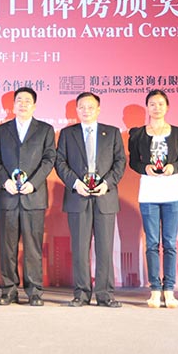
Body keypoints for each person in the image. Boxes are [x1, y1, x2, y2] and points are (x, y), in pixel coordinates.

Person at [55, 92, 125, 308]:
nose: (86, 110)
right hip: (78, 196)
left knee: (105, 248)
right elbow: (60, 162)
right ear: (76, 110)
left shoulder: (112, 133)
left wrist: (107, 183)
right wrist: (76, 183)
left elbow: (120, 162)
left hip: (105, 196)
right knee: (79, 248)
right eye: (82, 107)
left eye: (90, 107)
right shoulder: (67, 134)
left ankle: (105, 294)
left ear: (98, 109)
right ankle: (81, 293)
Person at [0, 87, 56, 306]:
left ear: (34, 105)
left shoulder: (45, 130)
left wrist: (33, 183)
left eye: (28, 100)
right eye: (19, 100)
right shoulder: (2, 130)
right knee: (7, 246)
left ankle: (34, 291)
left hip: (33, 196)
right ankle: (8, 290)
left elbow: (49, 159)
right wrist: (4, 181)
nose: (23, 104)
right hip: (8, 195)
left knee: (33, 247)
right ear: (13, 105)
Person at [128, 89, 178, 308]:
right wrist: (145, 167)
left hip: (172, 193)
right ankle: (155, 289)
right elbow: (133, 162)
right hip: (148, 193)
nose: (156, 108)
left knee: (170, 243)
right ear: (147, 107)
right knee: (152, 243)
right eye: (152, 104)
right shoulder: (138, 134)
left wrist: (173, 167)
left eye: (161, 104)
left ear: (167, 107)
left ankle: (169, 290)